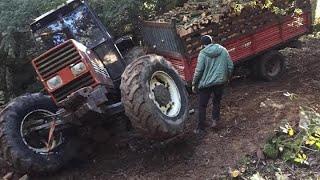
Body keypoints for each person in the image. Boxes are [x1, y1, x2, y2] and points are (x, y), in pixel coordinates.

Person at [192, 35, 234, 133]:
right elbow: (230, 66)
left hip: (205, 84)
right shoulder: (223, 50)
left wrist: (194, 84)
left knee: (202, 105)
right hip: (220, 82)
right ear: (212, 41)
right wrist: (227, 78)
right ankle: (215, 121)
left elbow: (199, 71)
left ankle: (201, 127)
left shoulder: (202, 54)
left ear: (203, 45)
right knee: (216, 102)